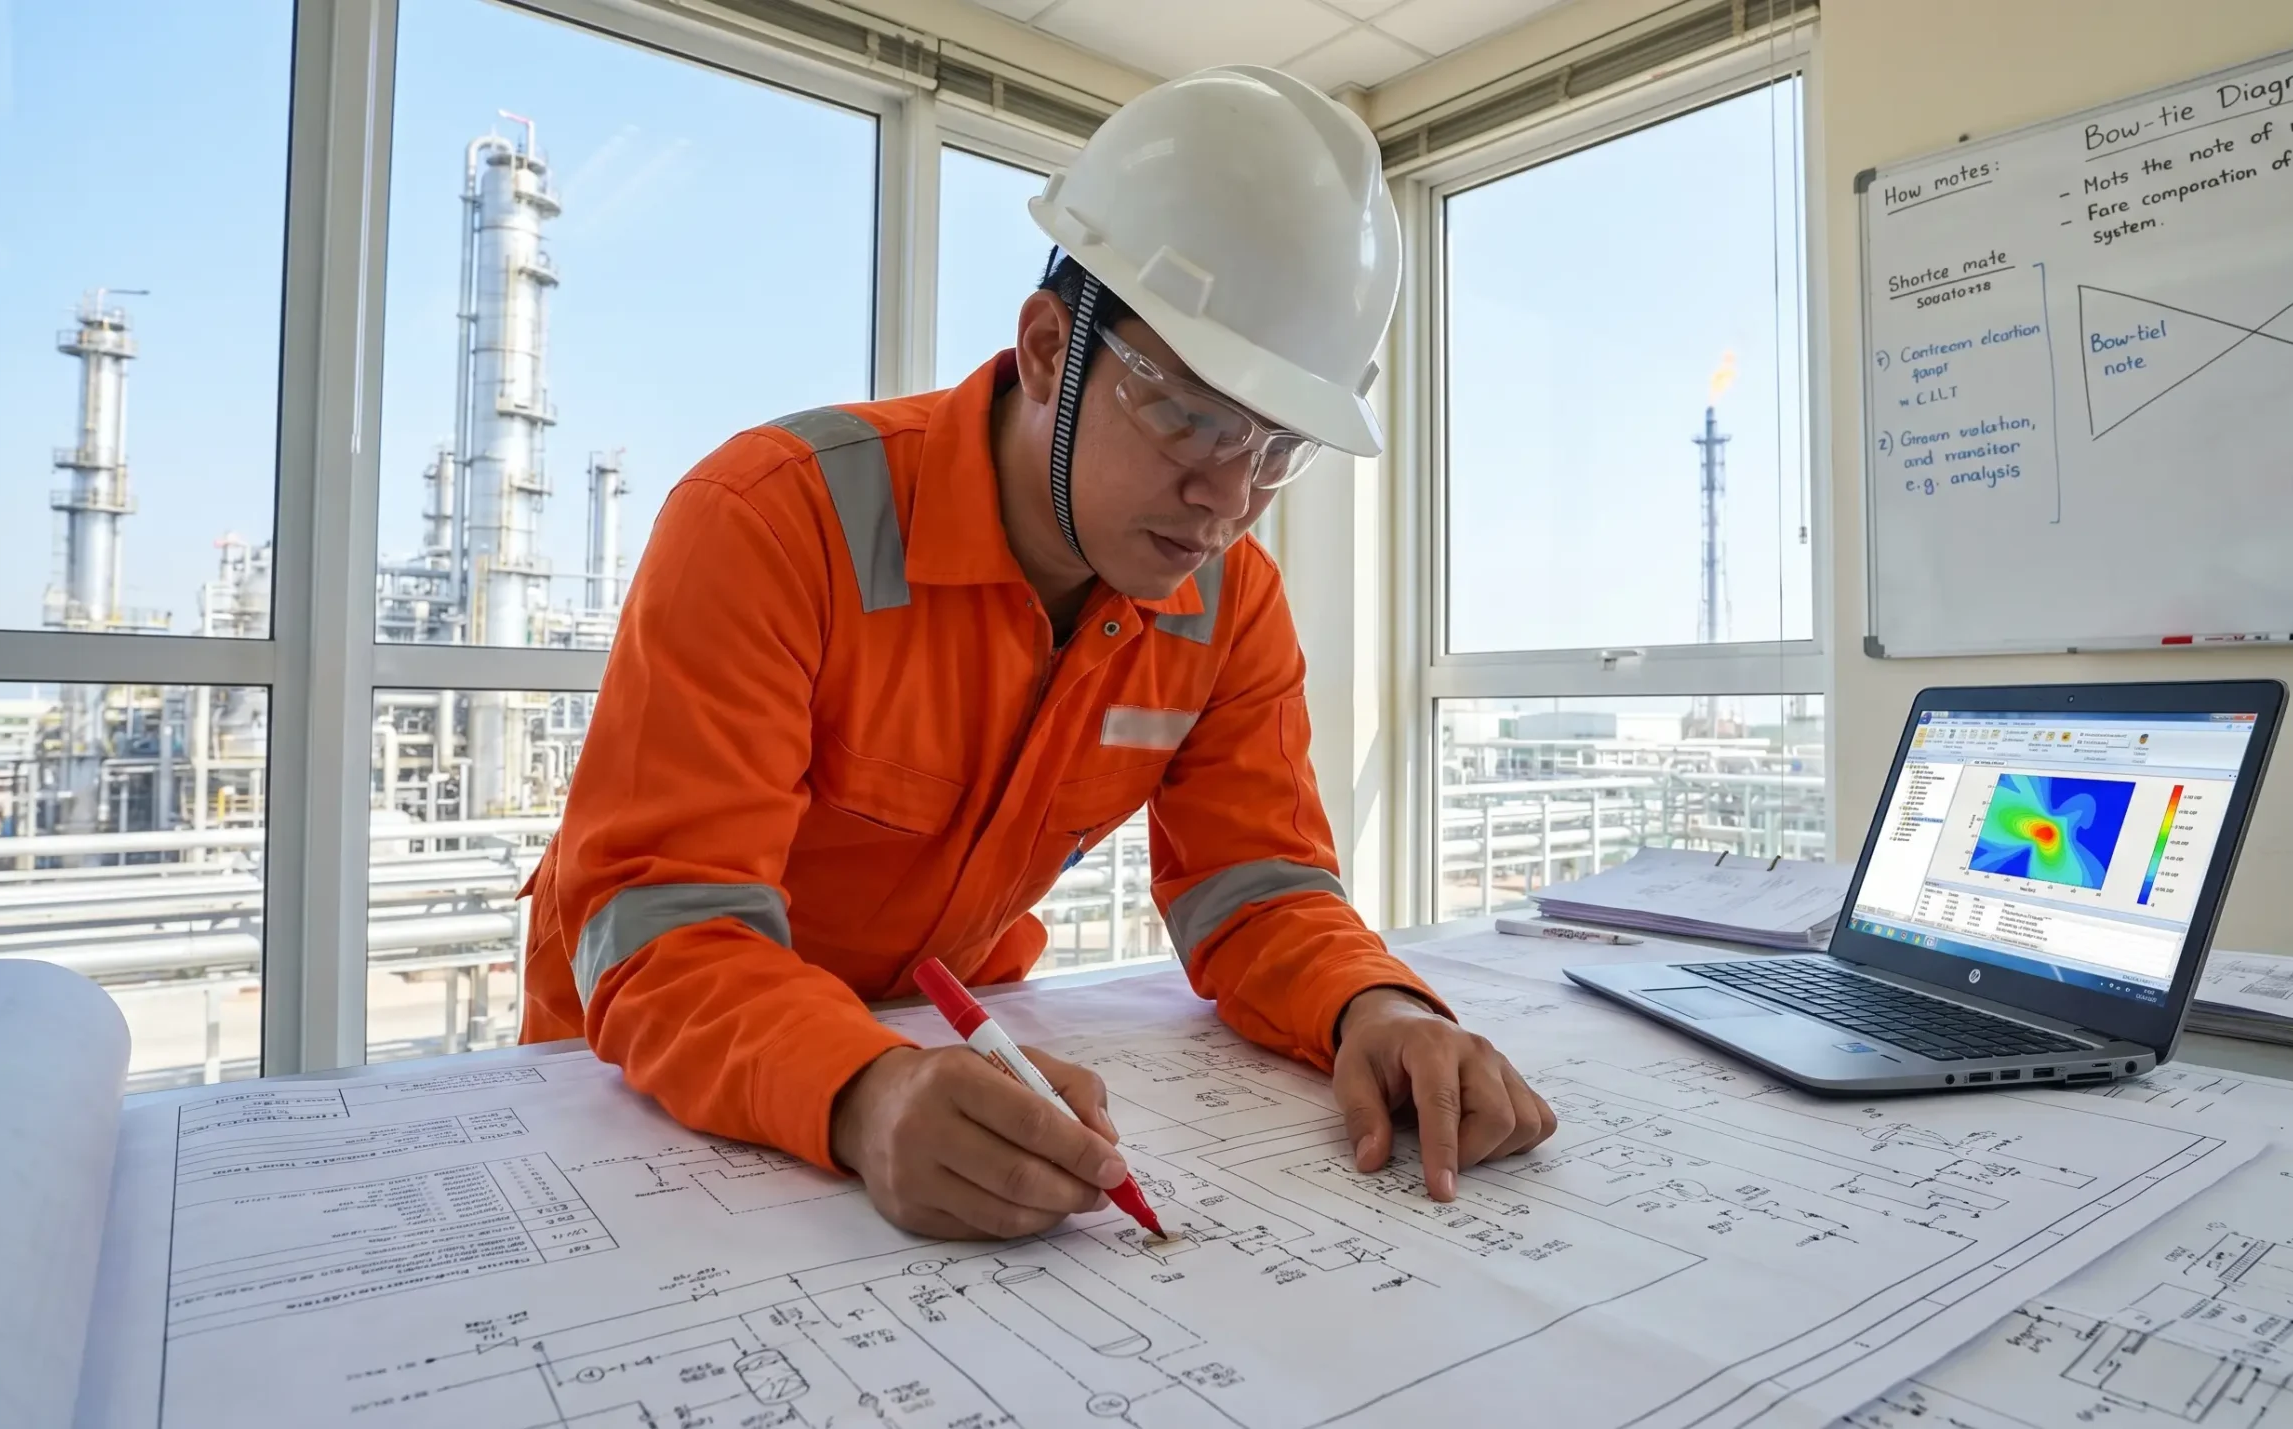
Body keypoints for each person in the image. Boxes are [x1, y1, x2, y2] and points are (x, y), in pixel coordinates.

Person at [519, 64, 1556, 1240]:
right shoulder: (771, 519)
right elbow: (666, 926)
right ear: (1049, 345)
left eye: (1278, 450)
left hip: (953, 1058)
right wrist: (860, 1089)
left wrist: (1372, 1006)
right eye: (1196, 416)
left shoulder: (1229, 606)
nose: (1228, 496)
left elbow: (1258, 889)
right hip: (634, 1092)